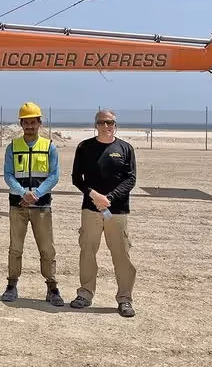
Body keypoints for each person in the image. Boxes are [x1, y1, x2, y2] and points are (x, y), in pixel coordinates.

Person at [70, 109, 137, 317]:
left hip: (117, 211)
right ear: (95, 125)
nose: (106, 126)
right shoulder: (84, 147)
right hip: (90, 210)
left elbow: (131, 179)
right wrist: (94, 195)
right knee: (87, 251)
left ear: (115, 125)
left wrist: (109, 198)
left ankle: (125, 299)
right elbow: (76, 178)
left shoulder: (125, 149)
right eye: (102, 123)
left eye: (110, 123)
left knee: (121, 254)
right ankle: (85, 294)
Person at [0, 102, 63, 305]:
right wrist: (22, 193)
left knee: (47, 248)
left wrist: (36, 193)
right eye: (25, 123)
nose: (29, 126)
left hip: (42, 205)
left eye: (32, 122)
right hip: (17, 205)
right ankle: (11, 284)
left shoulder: (49, 146)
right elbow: (8, 175)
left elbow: (54, 175)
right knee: (15, 247)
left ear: (39, 123)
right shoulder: (13, 147)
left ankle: (52, 287)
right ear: (21, 124)